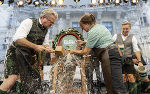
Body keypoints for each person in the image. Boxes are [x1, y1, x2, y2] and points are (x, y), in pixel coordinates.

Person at [0, 8, 58, 94]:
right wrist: (35, 46)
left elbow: (45, 44)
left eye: (53, 23)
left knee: (33, 81)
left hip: (29, 56)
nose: (52, 25)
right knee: (12, 79)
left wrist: (47, 49)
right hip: (16, 53)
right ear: (43, 17)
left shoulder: (46, 30)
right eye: (51, 22)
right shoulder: (29, 22)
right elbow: (18, 39)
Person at [69, 13, 128, 94]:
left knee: (116, 86)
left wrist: (72, 51)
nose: (84, 30)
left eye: (83, 27)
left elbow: (85, 51)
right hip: (113, 53)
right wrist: (84, 42)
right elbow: (100, 41)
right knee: (111, 84)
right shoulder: (99, 27)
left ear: (87, 24)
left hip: (110, 55)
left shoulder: (92, 31)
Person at [113, 21, 142, 94]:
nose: (125, 30)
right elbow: (110, 45)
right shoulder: (116, 36)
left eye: (127, 29)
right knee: (123, 77)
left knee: (131, 76)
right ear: (121, 28)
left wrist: (140, 61)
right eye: (123, 28)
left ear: (130, 29)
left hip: (129, 59)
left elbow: (136, 50)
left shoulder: (132, 37)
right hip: (119, 60)